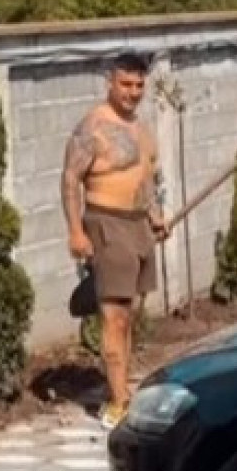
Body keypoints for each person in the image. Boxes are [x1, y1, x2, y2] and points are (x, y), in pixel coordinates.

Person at [60, 52, 170, 429]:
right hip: (106, 223)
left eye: (139, 85)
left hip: (138, 226)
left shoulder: (142, 128)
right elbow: (70, 179)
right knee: (115, 316)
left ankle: (122, 388)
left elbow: (146, 177)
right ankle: (118, 401)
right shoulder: (93, 127)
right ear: (110, 81)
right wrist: (76, 231)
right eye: (126, 84)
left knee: (131, 314)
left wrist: (155, 215)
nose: (133, 92)